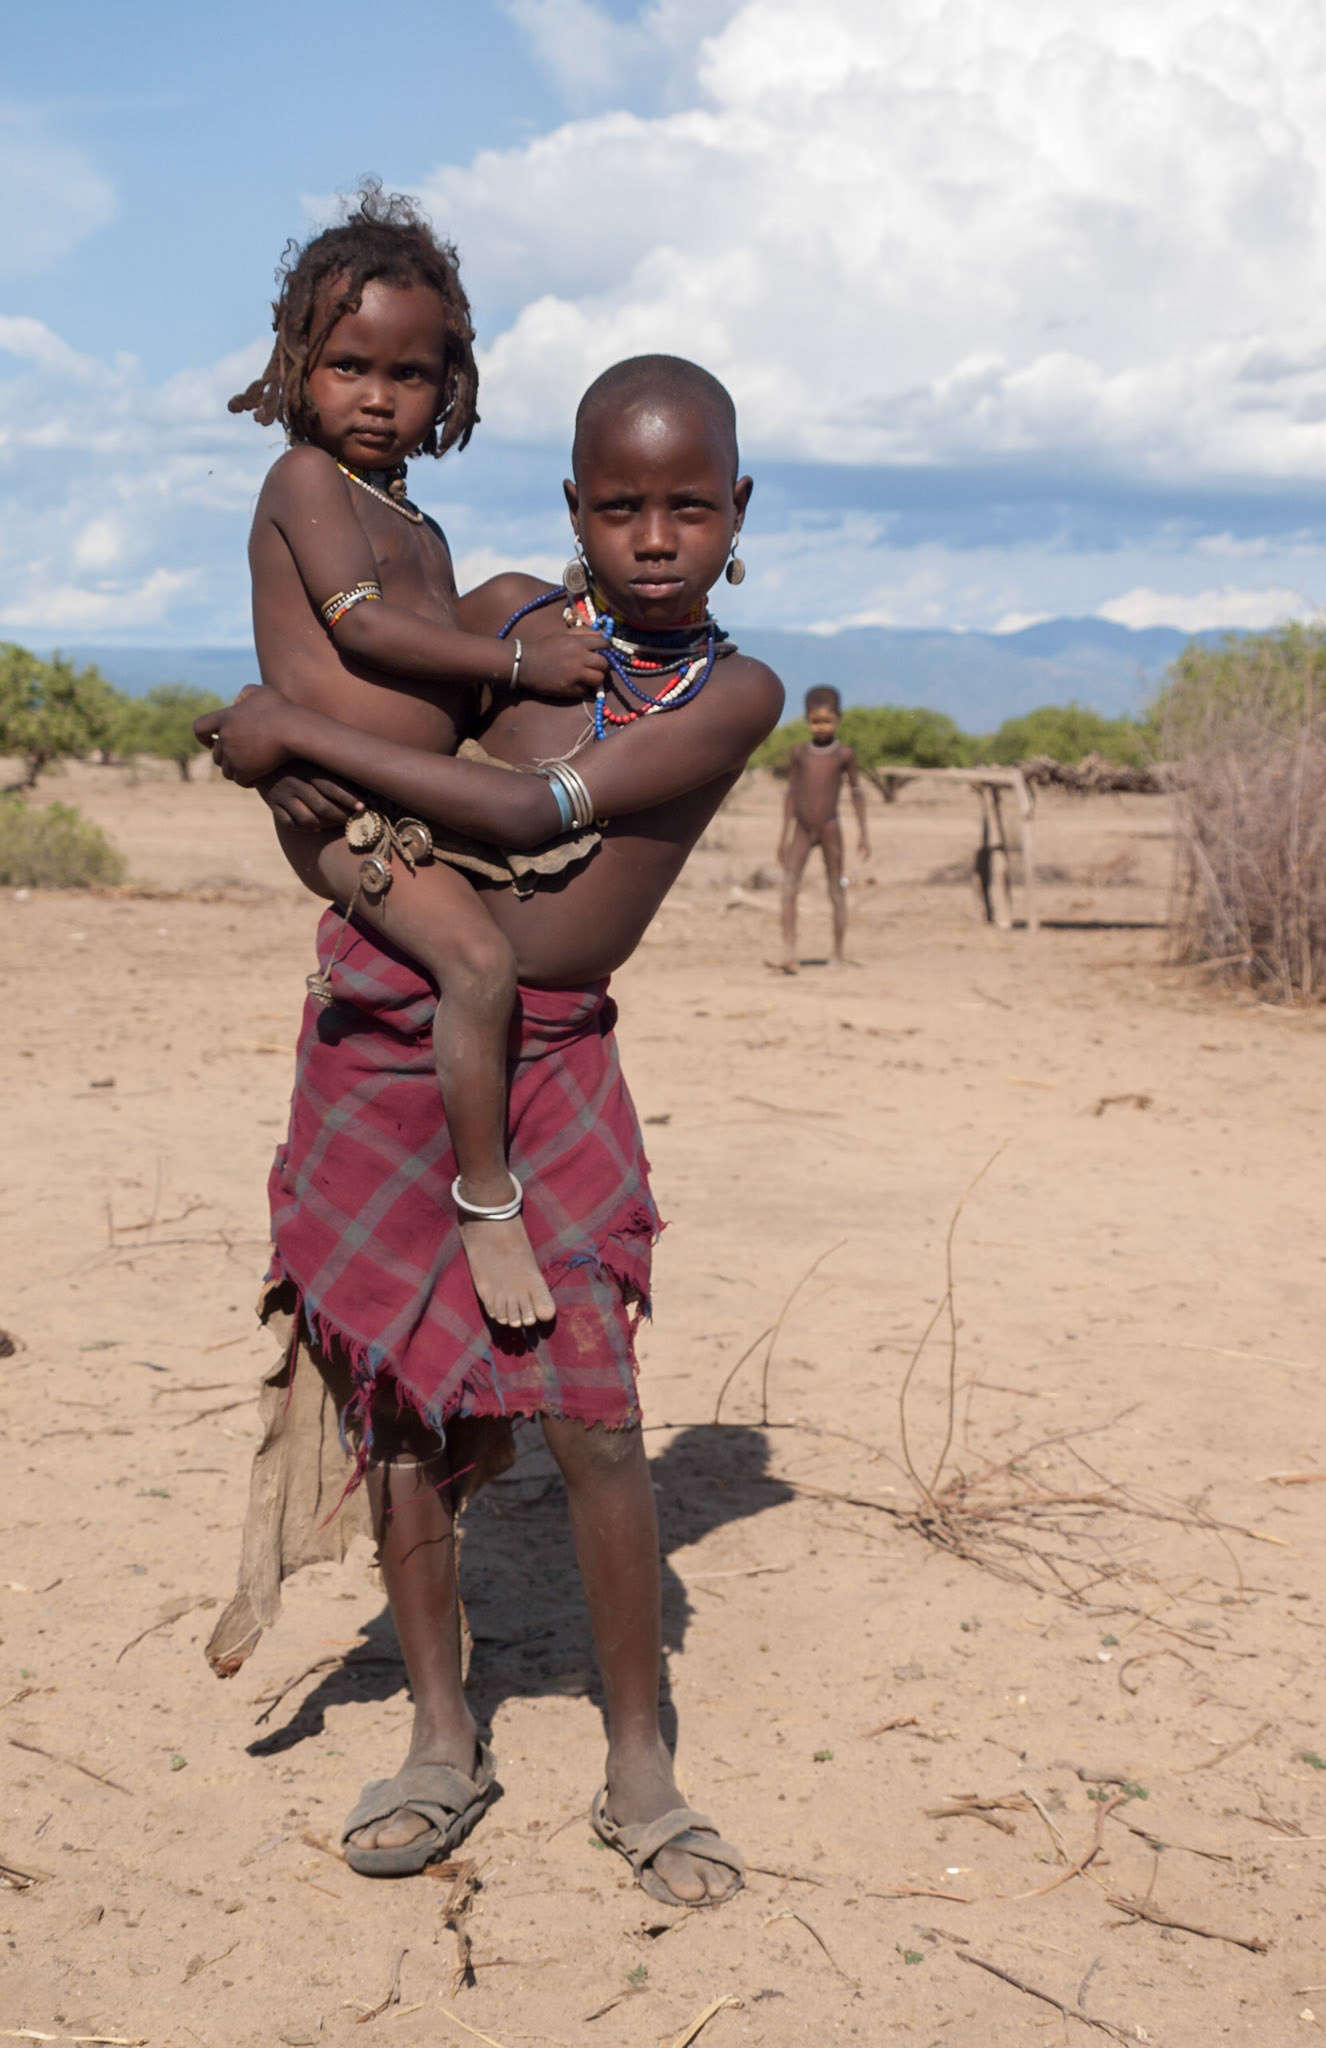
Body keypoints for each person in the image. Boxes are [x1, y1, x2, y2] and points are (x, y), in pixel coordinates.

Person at [197, 353, 784, 1904]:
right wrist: (302, 774)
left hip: (553, 1056)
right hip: (388, 1027)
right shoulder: (520, 614)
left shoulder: (736, 692)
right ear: (574, 509)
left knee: (591, 1413)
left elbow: (526, 817)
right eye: (622, 505)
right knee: (399, 1405)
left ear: (742, 514)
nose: (658, 536)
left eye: (693, 507)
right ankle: (443, 1738)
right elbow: (374, 680)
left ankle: (638, 1761)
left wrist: (297, 750)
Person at [230, 182, 609, 1330]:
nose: (379, 399)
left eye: (410, 375)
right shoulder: (305, 483)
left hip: (421, 787)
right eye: (351, 366)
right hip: (349, 813)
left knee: (513, 596)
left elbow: (444, 623)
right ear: (300, 361)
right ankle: (487, 1200)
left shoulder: (418, 526)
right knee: (481, 967)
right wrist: (514, 669)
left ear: (450, 385)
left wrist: (541, 612)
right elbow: (363, 630)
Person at [775, 685, 869, 972]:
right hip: (802, 829)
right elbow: (791, 792)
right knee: (788, 888)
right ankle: (789, 953)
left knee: (835, 890)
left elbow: (856, 791)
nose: (821, 727)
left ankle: (838, 954)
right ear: (807, 720)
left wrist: (864, 832)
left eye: (827, 720)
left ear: (838, 719)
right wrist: (783, 836)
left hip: (830, 827)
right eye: (816, 721)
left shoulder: (844, 755)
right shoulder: (799, 754)